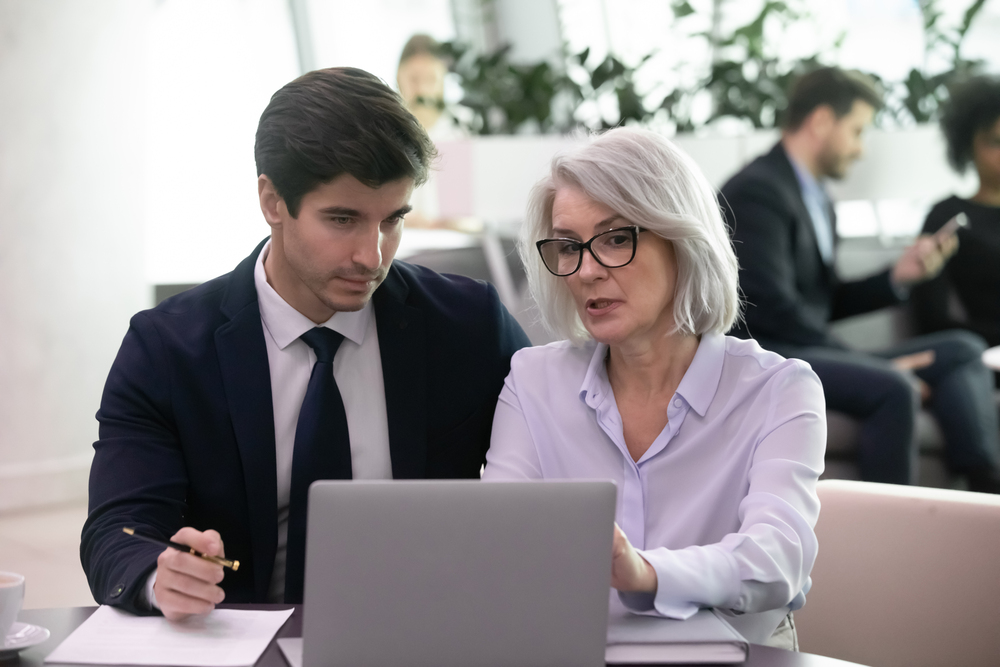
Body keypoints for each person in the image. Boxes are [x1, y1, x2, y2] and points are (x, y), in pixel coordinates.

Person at [81, 67, 530, 619]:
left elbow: (561, 466)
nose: (373, 255)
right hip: (244, 644)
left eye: (393, 220)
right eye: (342, 219)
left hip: (429, 635)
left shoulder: (467, 326)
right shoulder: (167, 350)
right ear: (272, 200)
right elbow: (117, 530)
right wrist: (161, 574)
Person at [484, 127, 826, 649]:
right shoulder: (533, 382)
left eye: (617, 238)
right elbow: (497, 543)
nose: (587, 272)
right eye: (568, 247)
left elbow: (777, 559)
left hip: (736, 656)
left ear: (682, 240)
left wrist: (645, 573)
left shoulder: (780, 389)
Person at [720, 67, 1000, 491]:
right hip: (772, 356)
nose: (860, 149)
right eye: (857, 131)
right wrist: (868, 362)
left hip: (806, 345)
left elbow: (823, 300)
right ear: (821, 122)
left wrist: (898, 277)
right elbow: (768, 308)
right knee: (893, 387)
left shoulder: (815, 199)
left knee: (962, 349)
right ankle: (890, 539)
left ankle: (984, 482)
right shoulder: (758, 191)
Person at [912, 76, 1000, 348]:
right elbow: (931, 320)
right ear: (967, 146)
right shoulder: (948, 216)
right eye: (995, 142)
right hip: (984, 354)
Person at [395, 34, 477, 231]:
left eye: (430, 79)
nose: (422, 89)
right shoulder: (384, 129)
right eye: (413, 79)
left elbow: (470, 208)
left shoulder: (463, 125)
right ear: (399, 77)